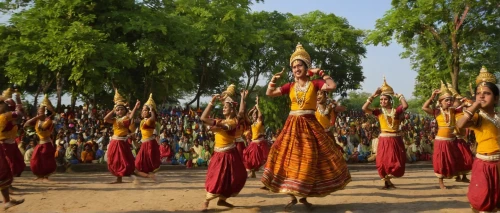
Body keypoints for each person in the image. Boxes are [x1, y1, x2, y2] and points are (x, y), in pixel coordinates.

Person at [262, 43, 351, 210]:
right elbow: (270, 94)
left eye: (299, 65)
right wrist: (273, 81)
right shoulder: (290, 86)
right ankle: (291, 193)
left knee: (310, 158)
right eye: (294, 66)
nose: (296, 69)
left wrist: (321, 72)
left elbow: (331, 86)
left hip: (310, 124)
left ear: (307, 67)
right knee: (283, 156)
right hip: (292, 125)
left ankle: (303, 195)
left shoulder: (315, 84)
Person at [456, 66, 500, 212]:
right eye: (478, 94)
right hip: (484, 164)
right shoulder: (477, 117)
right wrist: (474, 106)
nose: (482, 96)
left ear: (496, 98)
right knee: (483, 200)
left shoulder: (498, 117)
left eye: (486, 93)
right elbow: (460, 125)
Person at [199, 84, 246, 212]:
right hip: (219, 155)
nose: (224, 108)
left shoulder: (233, 122)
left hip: (231, 153)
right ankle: (206, 201)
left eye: (226, 107)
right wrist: (211, 103)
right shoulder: (220, 121)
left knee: (237, 177)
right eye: (223, 107)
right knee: (215, 178)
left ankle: (222, 200)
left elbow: (241, 113)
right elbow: (203, 118)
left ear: (231, 109)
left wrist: (242, 98)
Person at [362, 77, 408, 189]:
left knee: (396, 161)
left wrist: (401, 96)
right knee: (382, 162)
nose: (382, 101)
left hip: (395, 139)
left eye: (385, 99)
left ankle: (389, 181)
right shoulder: (378, 112)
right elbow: (364, 108)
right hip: (384, 140)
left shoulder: (396, 111)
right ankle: (387, 182)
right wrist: (373, 96)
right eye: (381, 99)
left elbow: (405, 106)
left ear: (390, 100)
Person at [422, 81, 464, 189]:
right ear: (441, 102)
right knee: (441, 161)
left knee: (453, 159)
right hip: (441, 140)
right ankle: (441, 182)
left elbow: (460, 104)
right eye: (446, 100)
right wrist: (432, 97)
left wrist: (455, 94)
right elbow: (424, 108)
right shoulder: (437, 112)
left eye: (450, 100)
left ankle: (456, 176)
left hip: (452, 140)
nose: (449, 102)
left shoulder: (454, 111)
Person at [103, 89, 140, 184]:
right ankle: (118, 179)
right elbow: (105, 119)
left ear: (125, 110)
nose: (119, 111)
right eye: (118, 110)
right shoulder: (115, 119)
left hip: (121, 143)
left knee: (124, 161)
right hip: (114, 142)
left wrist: (135, 107)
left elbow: (130, 117)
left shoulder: (125, 119)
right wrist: (113, 109)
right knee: (114, 160)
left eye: (121, 109)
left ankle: (131, 175)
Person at [24, 94, 57, 181]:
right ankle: (39, 175)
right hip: (40, 143)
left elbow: (43, 128)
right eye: (39, 111)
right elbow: (26, 124)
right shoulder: (37, 120)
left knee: (46, 161)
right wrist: (37, 117)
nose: (40, 112)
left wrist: (48, 111)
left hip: (47, 143)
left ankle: (46, 176)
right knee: (35, 159)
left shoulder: (49, 121)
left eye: (42, 111)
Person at [447, 83, 473, 183]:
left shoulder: (464, 113)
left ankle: (464, 176)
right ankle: (457, 176)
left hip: (462, 139)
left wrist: (465, 102)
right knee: (456, 158)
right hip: (455, 139)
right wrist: (462, 103)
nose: (456, 103)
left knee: (466, 158)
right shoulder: (452, 112)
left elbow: (471, 105)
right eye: (455, 101)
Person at [0, 88, 26, 190]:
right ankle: (6, 186)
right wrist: (18, 99)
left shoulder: (7, 116)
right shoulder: (5, 116)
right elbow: (20, 113)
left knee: (15, 163)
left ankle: (8, 185)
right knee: (8, 165)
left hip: (11, 143)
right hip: (4, 144)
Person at [134, 94, 160, 182]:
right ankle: (149, 176)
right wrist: (135, 107)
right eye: (142, 110)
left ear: (149, 112)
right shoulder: (143, 121)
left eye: (145, 110)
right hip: (145, 144)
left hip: (149, 145)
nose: (142, 111)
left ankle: (148, 176)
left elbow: (152, 118)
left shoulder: (150, 121)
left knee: (139, 165)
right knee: (138, 164)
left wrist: (152, 110)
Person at [243, 95, 270, 178]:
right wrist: (253, 108)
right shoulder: (252, 123)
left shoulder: (260, 122)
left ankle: (267, 175)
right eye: (253, 115)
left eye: (256, 114)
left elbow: (260, 116)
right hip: (253, 143)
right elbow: (246, 115)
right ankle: (252, 172)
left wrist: (257, 106)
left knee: (262, 159)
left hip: (261, 143)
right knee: (248, 157)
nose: (254, 115)